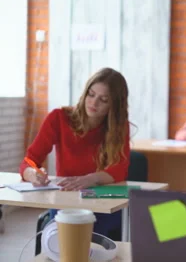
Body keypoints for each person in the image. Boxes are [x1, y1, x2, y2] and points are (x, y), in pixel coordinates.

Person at [19, 67, 130, 238]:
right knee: (64, 238)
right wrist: (34, 174)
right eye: (91, 95)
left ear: (115, 105)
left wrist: (90, 179)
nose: (93, 103)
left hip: (103, 203)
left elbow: (119, 171)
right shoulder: (59, 118)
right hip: (66, 202)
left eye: (104, 99)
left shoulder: (119, 126)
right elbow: (29, 160)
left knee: (97, 236)